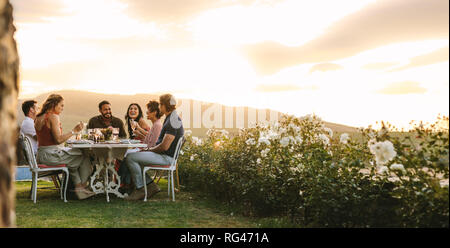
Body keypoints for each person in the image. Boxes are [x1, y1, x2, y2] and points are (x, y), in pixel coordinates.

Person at [34, 94, 95, 200]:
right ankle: (82, 187)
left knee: (73, 159)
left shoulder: (39, 117)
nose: (62, 108)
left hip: (42, 154)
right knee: (85, 156)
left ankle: (78, 187)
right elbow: (58, 140)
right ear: (54, 104)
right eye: (61, 105)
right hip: (50, 155)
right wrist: (74, 131)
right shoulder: (53, 117)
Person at [124, 94, 184, 201]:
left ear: (166, 105)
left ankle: (140, 189)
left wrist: (149, 150)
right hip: (163, 155)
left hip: (166, 157)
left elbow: (164, 146)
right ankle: (151, 186)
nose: (160, 107)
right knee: (135, 157)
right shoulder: (170, 118)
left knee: (130, 158)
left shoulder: (173, 120)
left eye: (161, 104)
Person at [118, 101, 163, 193]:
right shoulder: (156, 124)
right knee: (126, 156)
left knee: (127, 157)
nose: (146, 113)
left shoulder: (157, 125)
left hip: (152, 153)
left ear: (154, 112)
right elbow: (149, 139)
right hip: (148, 150)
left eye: (148, 111)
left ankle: (125, 184)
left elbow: (152, 143)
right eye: (131, 109)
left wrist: (139, 131)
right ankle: (125, 184)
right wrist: (138, 131)